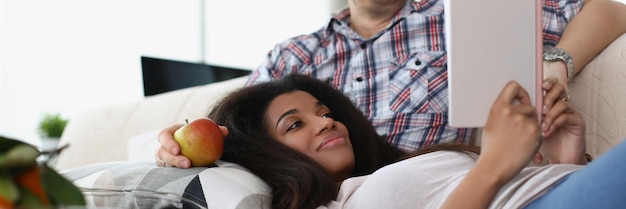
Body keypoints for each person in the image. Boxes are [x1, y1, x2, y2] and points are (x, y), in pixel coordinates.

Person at [156, 0, 626, 168]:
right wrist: (177, 144)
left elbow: (607, 9)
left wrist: (556, 63)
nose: (323, 122)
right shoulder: (292, 56)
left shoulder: (458, 14)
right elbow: (227, 133)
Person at [159, 74, 625, 209]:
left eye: (324, 112)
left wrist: (562, 162)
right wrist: (494, 163)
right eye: (294, 125)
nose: (324, 122)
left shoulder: (374, 178)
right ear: (262, 153)